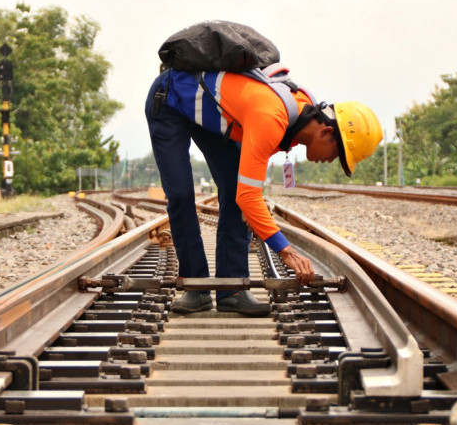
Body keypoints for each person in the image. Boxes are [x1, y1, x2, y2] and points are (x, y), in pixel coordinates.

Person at [145, 65, 382, 316]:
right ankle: (195, 287)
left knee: (236, 189)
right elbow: (249, 196)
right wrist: (286, 251)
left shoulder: (302, 109)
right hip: (170, 99)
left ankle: (232, 290)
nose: (332, 160)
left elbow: (247, 190)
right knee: (181, 196)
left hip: (213, 110)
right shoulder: (273, 117)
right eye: (338, 154)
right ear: (326, 131)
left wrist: (255, 211)